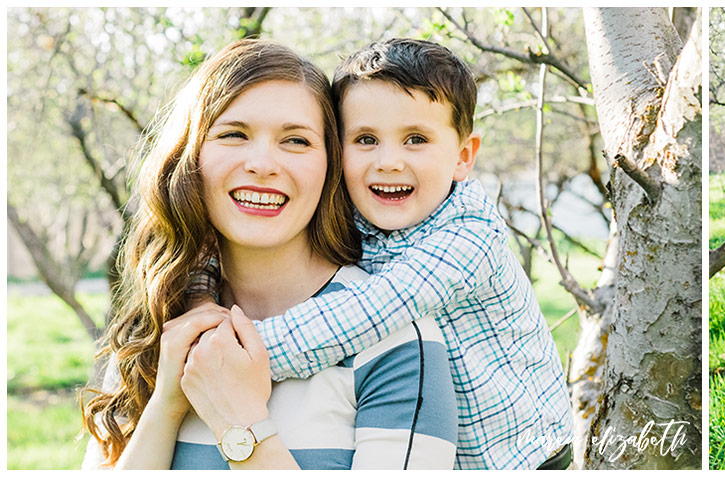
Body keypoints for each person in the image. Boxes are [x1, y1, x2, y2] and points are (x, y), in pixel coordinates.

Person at [189, 38, 573, 470]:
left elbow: (367, 312)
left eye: (415, 139)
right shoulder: (361, 214)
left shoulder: (469, 239)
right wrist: (201, 298)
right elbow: (215, 249)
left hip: (520, 457)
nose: (389, 161)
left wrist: (238, 355)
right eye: (366, 139)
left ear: (463, 156)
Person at [80, 39, 457, 469]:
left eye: (296, 141)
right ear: (191, 158)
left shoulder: (395, 341)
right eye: (233, 134)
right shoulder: (160, 323)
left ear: (331, 165)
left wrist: (241, 424)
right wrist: (168, 400)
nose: (262, 163)